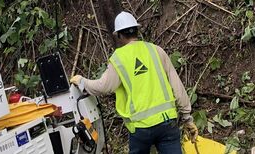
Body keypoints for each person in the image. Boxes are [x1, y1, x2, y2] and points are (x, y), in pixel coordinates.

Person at [70, 12, 198, 154]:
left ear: (118, 35)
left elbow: (104, 87)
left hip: (141, 128)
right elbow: (177, 86)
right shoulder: (156, 50)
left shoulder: (119, 58)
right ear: (137, 30)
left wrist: (81, 81)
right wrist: (187, 118)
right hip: (167, 123)